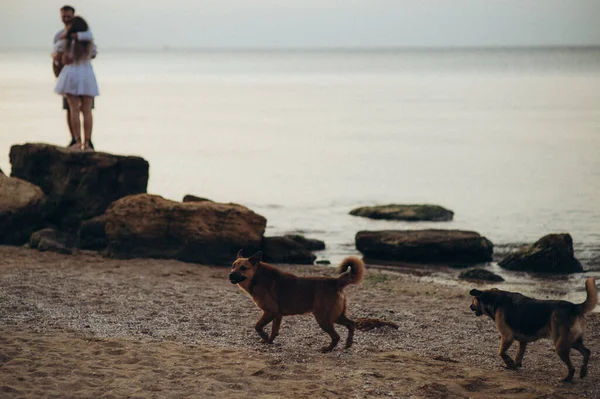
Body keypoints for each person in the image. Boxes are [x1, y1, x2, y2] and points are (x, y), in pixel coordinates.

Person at [53, 5, 96, 149]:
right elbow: (94, 53)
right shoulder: (88, 39)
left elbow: (56, 54)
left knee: (74, 110)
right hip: (87, 73)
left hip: (71, 73)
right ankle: (88, 141)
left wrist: (59, 59)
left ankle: (77, 141)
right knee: (87, 110)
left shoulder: (64, 38)